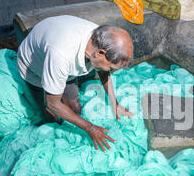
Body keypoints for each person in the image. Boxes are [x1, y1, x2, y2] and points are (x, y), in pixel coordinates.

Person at [17, 15, 134, 152]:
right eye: (111, 68)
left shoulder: (99, 39)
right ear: (101, 53)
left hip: (63, 66)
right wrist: (89, 128)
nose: (110, 71)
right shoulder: (62, 55)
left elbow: (103, 71)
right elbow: (52, 103)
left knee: (75, 109)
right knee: (51, 116)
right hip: (35, 68)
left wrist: (115, 104)